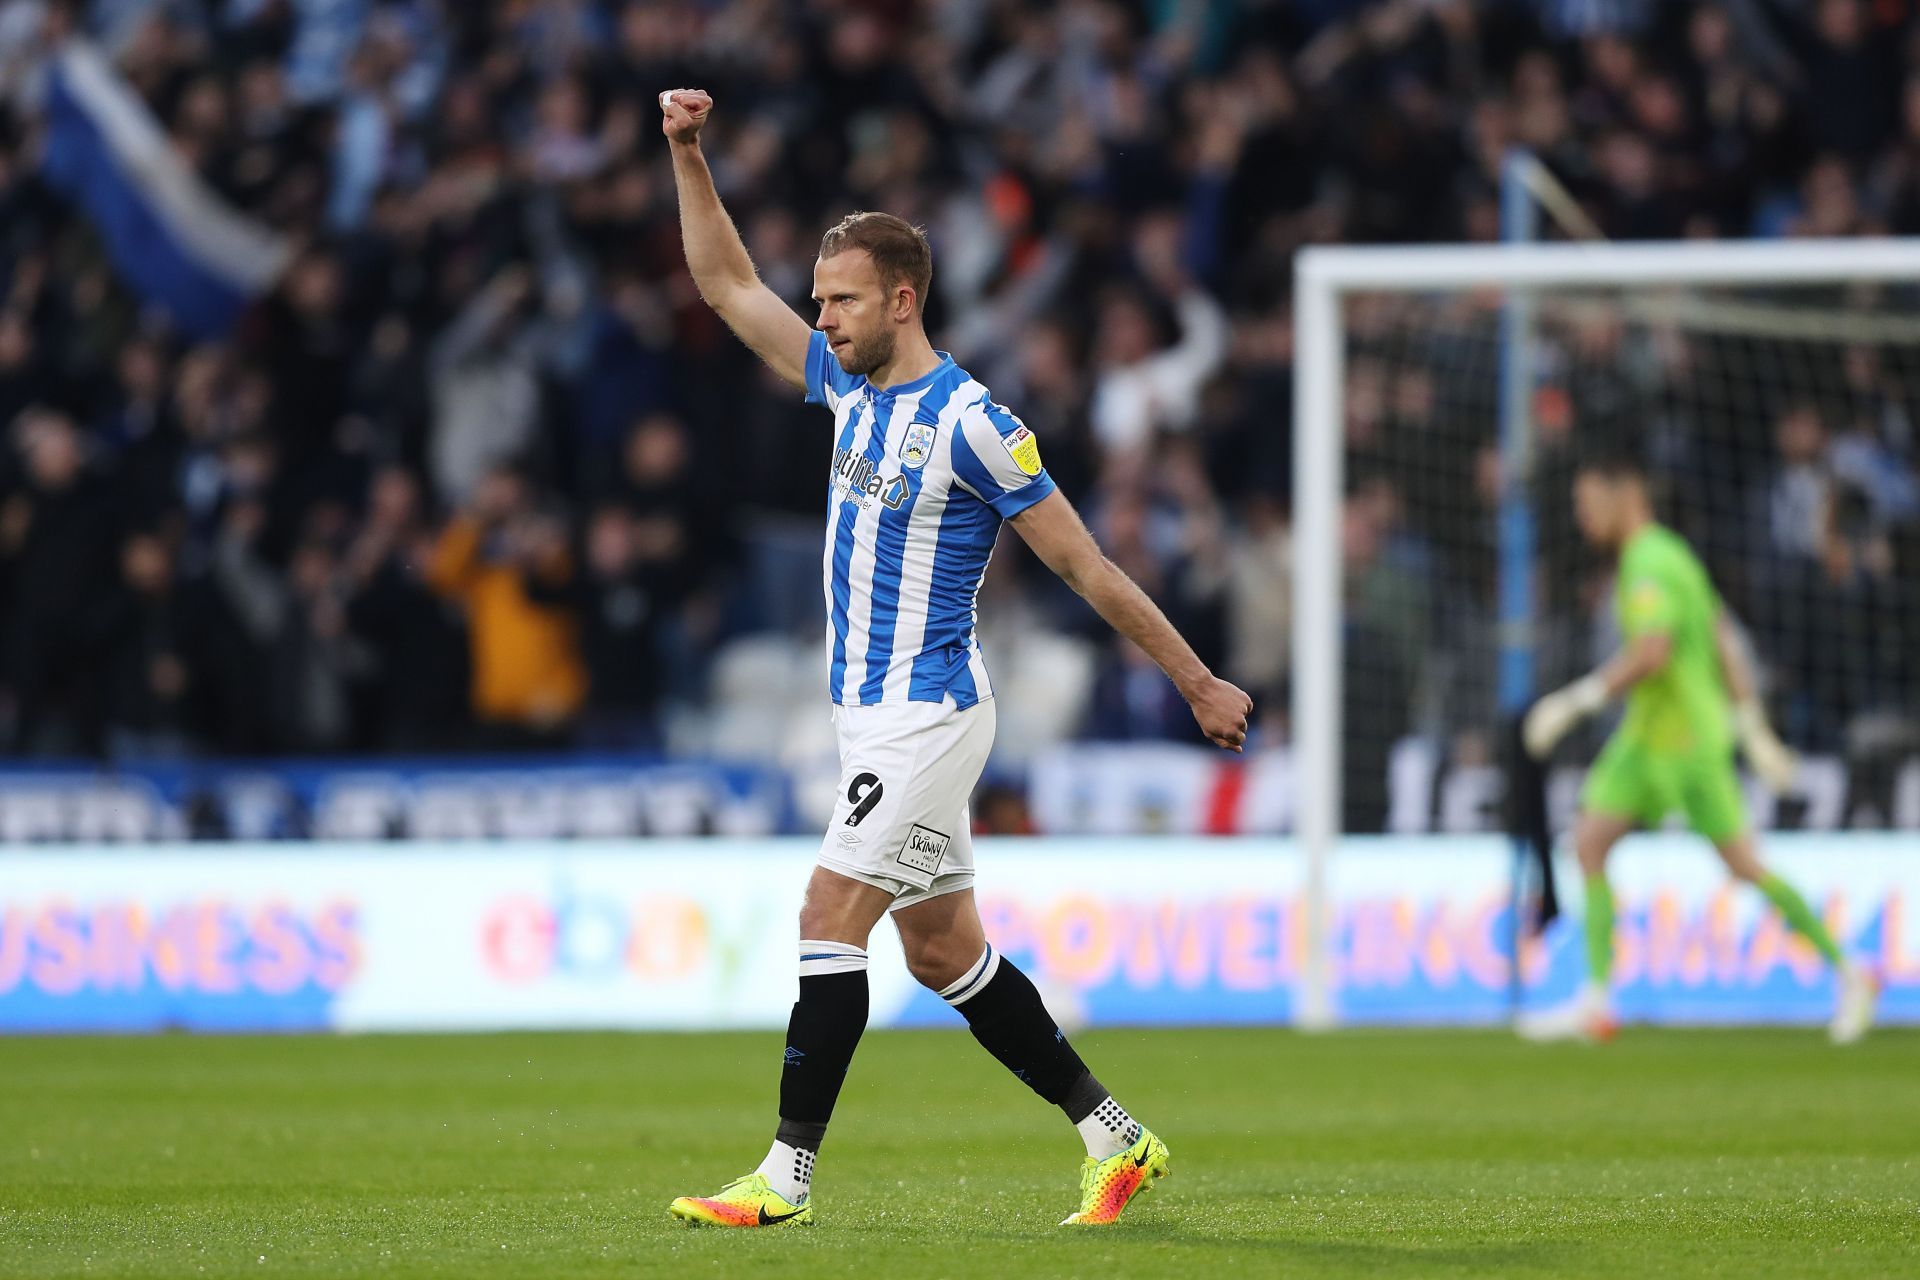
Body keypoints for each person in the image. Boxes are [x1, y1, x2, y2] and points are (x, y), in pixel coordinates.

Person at [656, 88, 1251, 1229]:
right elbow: (728, 285)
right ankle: (1114, 1136)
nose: (819, 319)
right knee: (941, 951)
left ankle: (785, 1177)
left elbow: (1086, 566)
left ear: (903, 298)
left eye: (839, 302)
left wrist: (1195, 678)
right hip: (868, 712)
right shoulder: (842, 386)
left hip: (928, 711)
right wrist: (689, 155)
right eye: (819, 300)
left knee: (830, 913)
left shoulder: (978, 422)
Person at [1518, 451, 1878, 1044]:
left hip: (1684, 742)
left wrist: (1575, 701)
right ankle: (1598, 1000)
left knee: (1743, 866)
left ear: (1624, 491)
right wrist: (1752, 723)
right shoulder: (1674, 555)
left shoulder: (1648, 561)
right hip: (1649, 735)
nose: (1582, 518)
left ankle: (1852, 973)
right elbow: (1722, 638)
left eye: (1587, 502)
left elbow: (1653, 651)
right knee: (1589, 841)